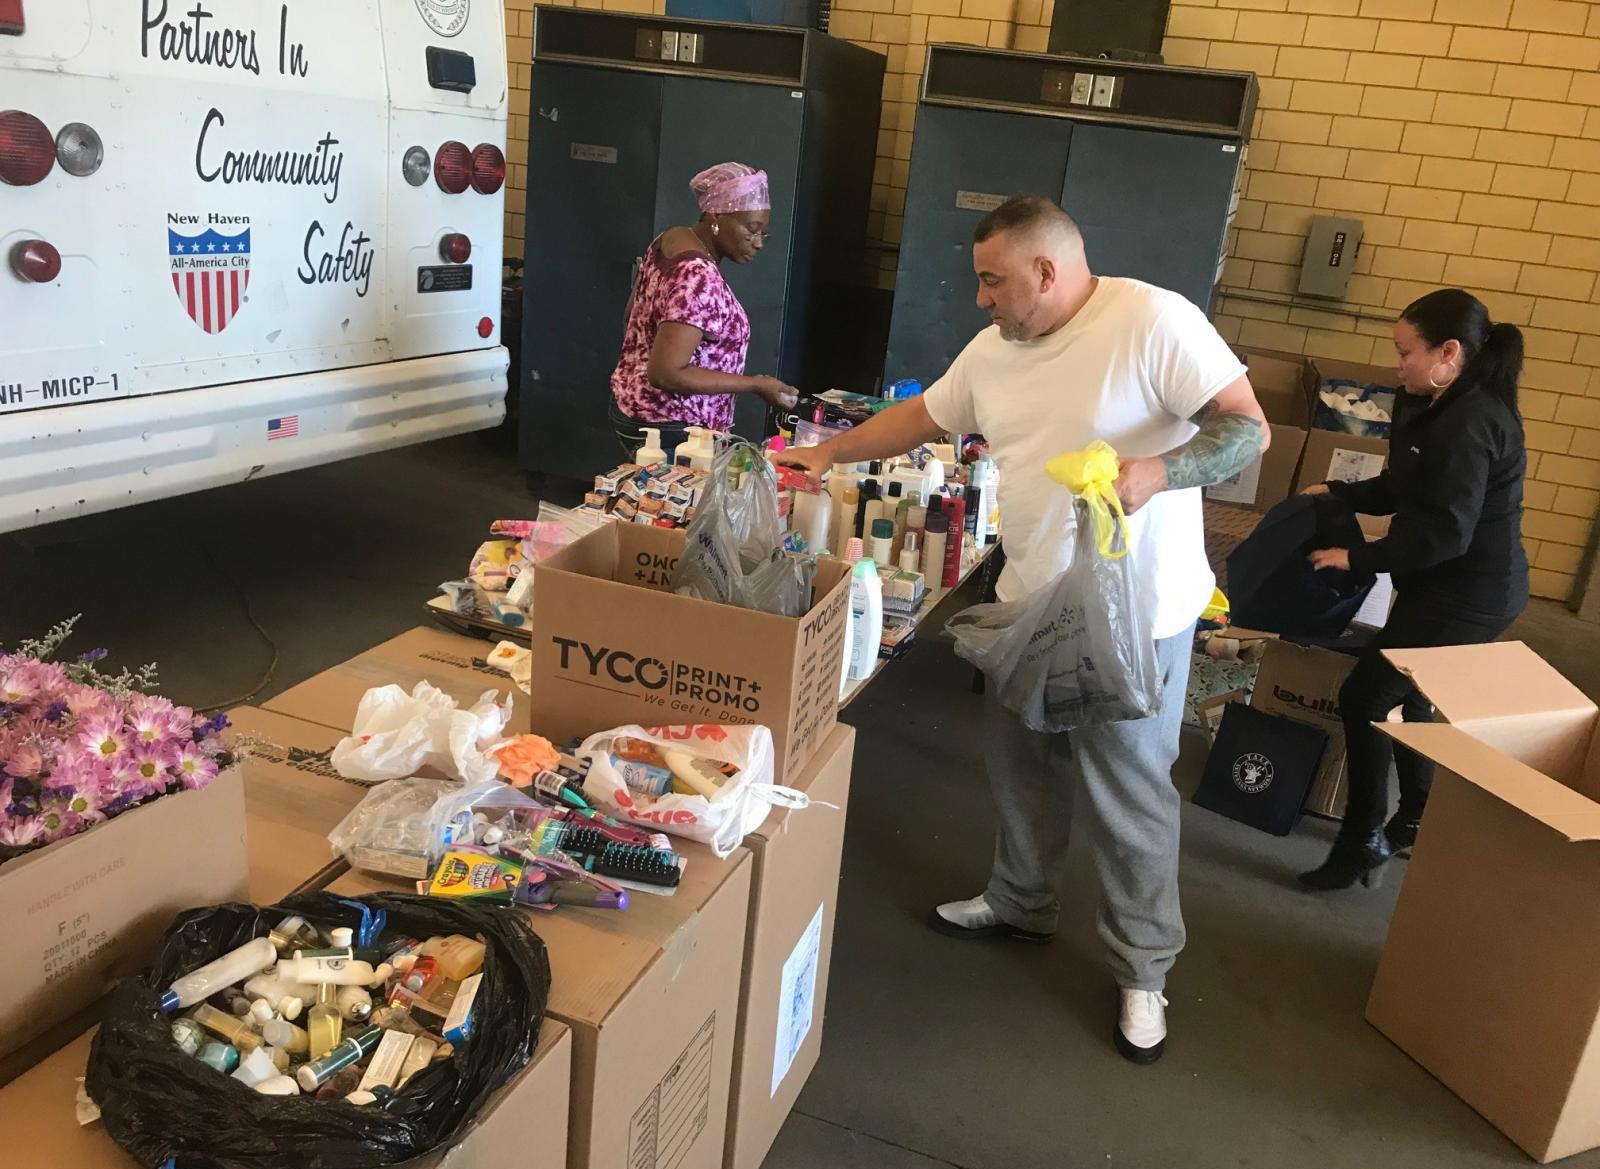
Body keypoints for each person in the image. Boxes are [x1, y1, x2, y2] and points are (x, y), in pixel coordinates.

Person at [778, 197, 1268, 1065]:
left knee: (1129, 790)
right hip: (1033, 598)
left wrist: (1164, 467)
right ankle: (1020, 902)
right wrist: (832, 451)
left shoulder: (1152, 320)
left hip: (1138, 614)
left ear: (1047, 272)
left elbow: (1247, 427)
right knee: (1022, 761)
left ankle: (1143, 967)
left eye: (991, 279)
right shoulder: (996, 349)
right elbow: (926, 415)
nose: (979, 298)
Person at [1297, 289, 1529, 891]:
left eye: (1406, 352)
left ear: (1449, 352)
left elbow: (1445, 533)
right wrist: (1339, 493)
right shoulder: (1429, 404)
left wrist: (1358, 557)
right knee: (1412, 699)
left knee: (1366, 698)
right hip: (1442, 585)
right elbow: (1404, 486)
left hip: (1469, 594)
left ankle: (1361, 840)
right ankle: (1416, 815)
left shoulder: (1473, 420)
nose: (1396, 364)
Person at [609, 162, 798, 463]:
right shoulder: (698, 275)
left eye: (764, 233)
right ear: (717, 216)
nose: (759, 243)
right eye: (751, 229)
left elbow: (633, 313)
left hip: (632, 407)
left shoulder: (670, 239)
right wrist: (756, 384)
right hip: (674, 429)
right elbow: (666, 373)